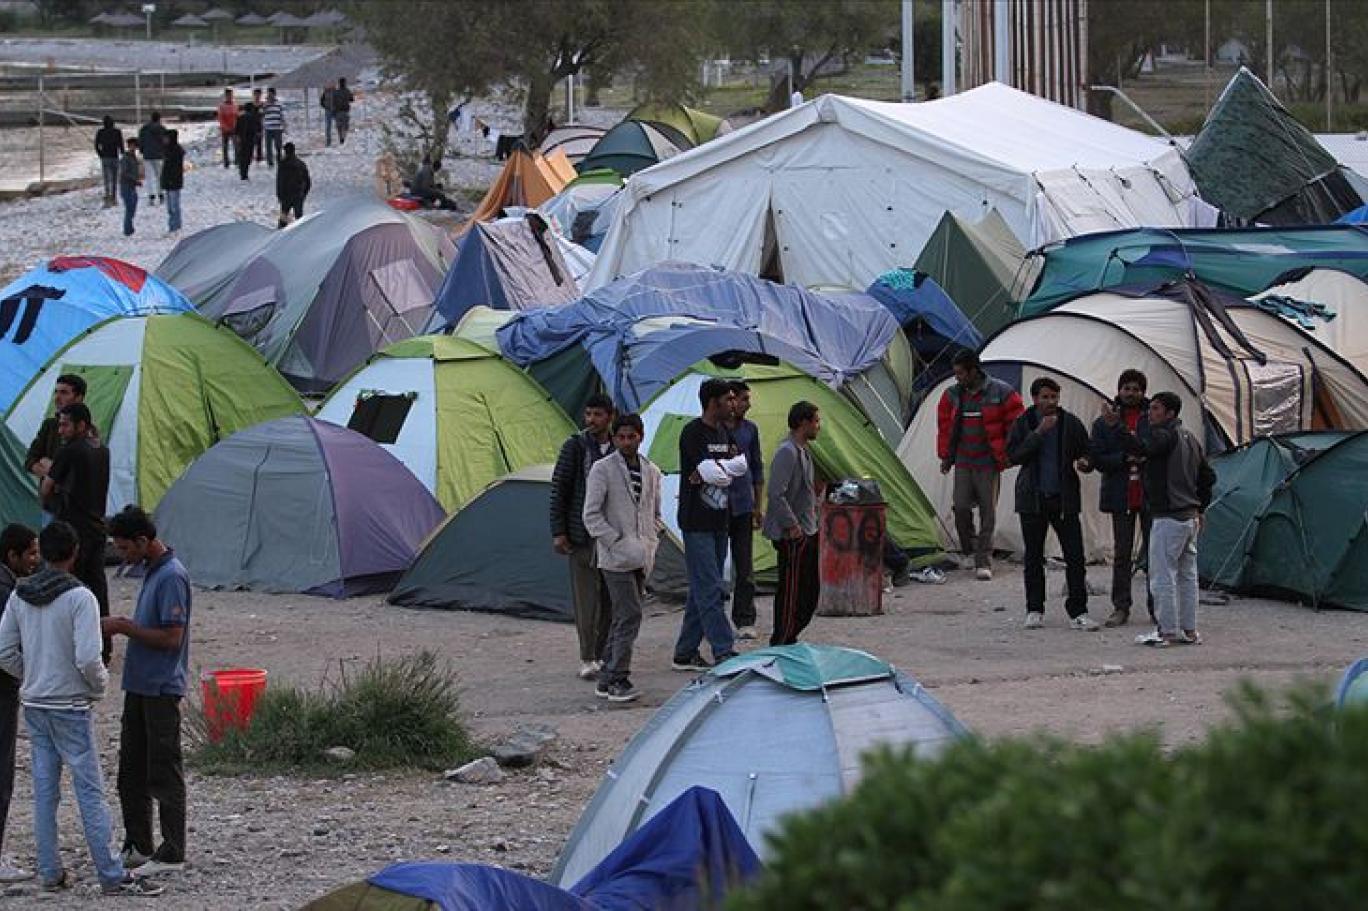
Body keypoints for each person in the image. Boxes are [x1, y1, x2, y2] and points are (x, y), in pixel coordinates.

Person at [0, 522, 162, 896]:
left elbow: (5, 651)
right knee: (89, 790)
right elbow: (89, 657)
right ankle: (110, 873)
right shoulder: (80, 598)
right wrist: (99, 685)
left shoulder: (21, 594)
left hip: (36, 703)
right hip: (70, 705)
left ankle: (49, 871)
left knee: (44, 790)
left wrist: (32, 675)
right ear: (74, 553)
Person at [104, 507, 190, 876]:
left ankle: (173, 851)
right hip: (139, 685)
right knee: (131, 771)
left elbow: (172, 638)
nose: (123, 556)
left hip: (160, 687)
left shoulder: (172, 576)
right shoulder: (152, 572)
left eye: (126, 549)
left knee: (163, 770)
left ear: (143, 541)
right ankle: (139, 844)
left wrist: (123, 627)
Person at [1114, 392, 1216, 647]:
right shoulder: (1190, 438)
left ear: (1170, 413)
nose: (1151, 413)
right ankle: (1189, 630)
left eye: (1157, 408)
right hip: (1189, 517)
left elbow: (1142, 448)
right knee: (1187, 575)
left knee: (1162, 575)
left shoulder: (1165, 435)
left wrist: (1116, 427)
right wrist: (1201, 507)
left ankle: (1167, 631)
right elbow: (1208, 477)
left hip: (1168, 515)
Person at [1006, 377, 1099, 631]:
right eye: (1045, 397)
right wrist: (1039, 433)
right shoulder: (1024, 423)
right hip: (1032, 499)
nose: (1050, 402)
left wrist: (1086, 463)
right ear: (1034, 398)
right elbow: (1013, 455)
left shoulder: (1070, 423)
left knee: (1075, 556)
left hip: (1064, 499)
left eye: (1054, 397)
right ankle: (1034, 609)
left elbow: (1088, 450)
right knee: (1034, 557)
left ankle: (1078, 611)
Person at [582, 414, 662, 704]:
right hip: (615, 557)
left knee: (622, 617)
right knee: (630, 614)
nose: (627, 442)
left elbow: (654, 512)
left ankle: (606, 677)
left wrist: (652, 536)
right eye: (621, 437)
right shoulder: (602, 470)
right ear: (614, 439)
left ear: (641, 436)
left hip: (642, 554)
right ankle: (618, 676)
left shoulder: (651, 470)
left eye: (632, 436)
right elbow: (590, 514)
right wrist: (614, 541)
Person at [936, 350, 1024, 580]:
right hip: (964, 460)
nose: (957, 378)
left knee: (988, 511)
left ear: (973, 371)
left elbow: (1017, 423)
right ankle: (970, 548)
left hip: (988, 462)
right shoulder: (952, 396)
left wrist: (1006, 453)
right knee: (961, 507)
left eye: (960, 373)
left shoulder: (1001, 392)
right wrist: (946, 457)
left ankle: (983, 560)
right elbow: (945, 428)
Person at [673, 378, 741, 671]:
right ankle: (723, 649)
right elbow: (712, 474)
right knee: (711, 587)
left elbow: (740, 467)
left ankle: (685, 652)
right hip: (696, 520)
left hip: (720, 519)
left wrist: (720, 470)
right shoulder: (692, 433)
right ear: (713, 402)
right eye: (728, 399)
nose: (733, 404)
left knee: (702, 588)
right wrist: (721, 471)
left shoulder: (726, 432)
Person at [550, 394, 616, 680]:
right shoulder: (575, 447)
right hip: (582, 535)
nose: (591, 420)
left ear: (609, 416)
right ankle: (587, 656)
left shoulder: (619, 446)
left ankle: (604, 654)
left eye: (597, 415)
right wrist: (559, 531)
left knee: (611, 599)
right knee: (586, 600)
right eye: (588, 414)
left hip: (613, 536)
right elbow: (560, 489)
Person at [40, 403, 111, 664]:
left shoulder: (68, 451)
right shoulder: (102, 450)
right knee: (97, 586)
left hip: (74, 528)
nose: (60, 430)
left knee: (71, 588)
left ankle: (76, 646)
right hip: (97, 526)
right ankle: (103, 645)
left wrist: (49, 497)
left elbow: (47, 488)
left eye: (65, 424)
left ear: (81, 425)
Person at [1090, 370, 1153, 627]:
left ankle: (1157, 606)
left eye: (1136, 389)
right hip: (1121, 494)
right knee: (1122, 553)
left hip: (1151, 494)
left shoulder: (1154, 416)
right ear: (1119, 390)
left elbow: (1162, 447)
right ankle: (1121, 606)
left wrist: (1145, 457)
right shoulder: (1104, 422)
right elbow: (1097, 458)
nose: (1131, 393)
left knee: (1155, 554)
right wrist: (1123, 459)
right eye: (1126, 388)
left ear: (1143, 392)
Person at [763, 401, 822, 646]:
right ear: (803, 423)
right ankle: (782, 637)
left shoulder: (803, 451)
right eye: (816, 421)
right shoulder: (787, 452)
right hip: (793, 535)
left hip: (808, 528)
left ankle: (792, 633)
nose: (819, 426)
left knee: (808, 590)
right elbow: (776, 493)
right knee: (791, 591)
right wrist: (792, 525)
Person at [0, 524, 39, 884]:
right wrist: (27, 673)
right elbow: (5, 650)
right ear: (12, 555)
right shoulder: (6, 593)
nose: (34, 560)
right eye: (29, 553)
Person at [722, 380, 763, 640]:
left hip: (743, 505)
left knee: (745, 565)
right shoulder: (713, 430)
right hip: (717, 507)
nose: (748, 404)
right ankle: (712, 619)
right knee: (714, 565)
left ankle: (745, 618)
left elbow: (757, 469)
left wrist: (759, 506)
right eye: (744, 399)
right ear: (731, 400)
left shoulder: (750, 430)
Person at [24, 374, 88, 525]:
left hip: (76, 509)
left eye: (64, 393)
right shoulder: (50, 425)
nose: (57, 398)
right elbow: (29, 460)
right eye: (56, 392)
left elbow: (78, 473)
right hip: (51, 505)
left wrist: (52, 469)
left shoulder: (86, 432)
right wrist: (51, 474)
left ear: (78, 397)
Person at [275, 142, 311, 228]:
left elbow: (280, 181)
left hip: (286, 195)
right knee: (299, 219)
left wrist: (279, 194)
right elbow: (308, 181)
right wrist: (303, 193)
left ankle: (281, 233)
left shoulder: (283, 165)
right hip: (298, 194)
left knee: (283, 218)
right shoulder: (301, 164)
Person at [136, 112, 167, 206]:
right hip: (159, 155)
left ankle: (151, 196)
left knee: (149, 177)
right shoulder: (162, 129)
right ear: (159, 118)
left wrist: (142, 150)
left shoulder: (144, 129)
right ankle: (161, 194)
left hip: (147, 155)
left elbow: (140, 141)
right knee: (160, 176)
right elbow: (165, 142)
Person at [94, 116, 122, 208]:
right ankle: (114, 197)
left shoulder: (100, 132)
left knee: (106, 179)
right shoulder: (117, 132)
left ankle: (107, 196)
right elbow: (120, 145)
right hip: (114, 156)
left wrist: (100, 154)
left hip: (105, 157)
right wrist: (123, 154)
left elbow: (96, 145)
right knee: (114, 178)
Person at [161, 129, 184, 234]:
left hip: (174, 181)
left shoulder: (175, 151)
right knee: (170, 207)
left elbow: (174, 169)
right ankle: (173, 226)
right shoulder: (167, 150)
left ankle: (175, 227)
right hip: (169, 181)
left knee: (174, 206)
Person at [117, 137, 141, 237]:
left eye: (134, 146)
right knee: (129, 208)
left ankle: (129, 228)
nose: (133, 148)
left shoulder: (132, 157)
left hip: (131, 185)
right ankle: (128, 229)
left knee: (132, 207)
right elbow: (124, 173)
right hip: (126, 185)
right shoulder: (126, 158)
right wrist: (135, 180)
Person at [235, 102, 261, 181]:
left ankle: (242, 172)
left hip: (242, 140)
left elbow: (237, 129)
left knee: (242, 156)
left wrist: (238, 137)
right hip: (250, 139)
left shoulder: (240, 117)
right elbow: (257, 129)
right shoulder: (254, 117)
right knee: (248, 157)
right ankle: (245, 173)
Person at [261, 87, 285, 167]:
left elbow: (282, 115)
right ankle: (270, 162)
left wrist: (284, 125)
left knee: (278, 145)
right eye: (268, 94)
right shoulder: (265, 104)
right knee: (268, 147)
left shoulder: (279, 104)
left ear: (274, 94)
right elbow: (262, 114)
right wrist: (266, 105)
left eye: (271, 94)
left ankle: (279, 160)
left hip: (277, 128)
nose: (270, 96)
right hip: (268, 128)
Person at [216, 88, 236, 169]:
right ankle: (226, 162)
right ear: (225, 96)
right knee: (225, 147)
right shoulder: (222, 106)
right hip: (225, 129)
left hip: (234, 129)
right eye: (228, 95)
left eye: (231, 95)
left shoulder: (235, 105)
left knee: (236, 146)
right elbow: (220, 118)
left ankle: (237, 161)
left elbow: (236, 116)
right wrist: (225, 127)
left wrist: (236, 126)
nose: (229, 96)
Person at [331, 77, 354, 145]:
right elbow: (352, 99)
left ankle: (340, 137)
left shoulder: (336, 92)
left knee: (339, 126)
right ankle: (343, 136)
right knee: (345, 126)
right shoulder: (347, 91)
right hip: (345, 111)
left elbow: (333, 102)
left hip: (337, 112)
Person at [250, 88, 265, 162]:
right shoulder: (250, 105)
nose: (257, 96)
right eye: (256, 94)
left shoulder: (263, 105)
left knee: (259, 144)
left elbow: (264, 116)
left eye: (258, 94)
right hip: (251, 127)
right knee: (251, 144)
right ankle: (250, 158)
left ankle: (259, 159)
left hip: (259, 126)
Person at [320, 80, 336, 146]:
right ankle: (328, 141)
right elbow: (321, 101)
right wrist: (326, 107)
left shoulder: (336, 92)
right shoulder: (325, 92)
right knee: (328, 127)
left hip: (335, 110)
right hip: (328, 111)